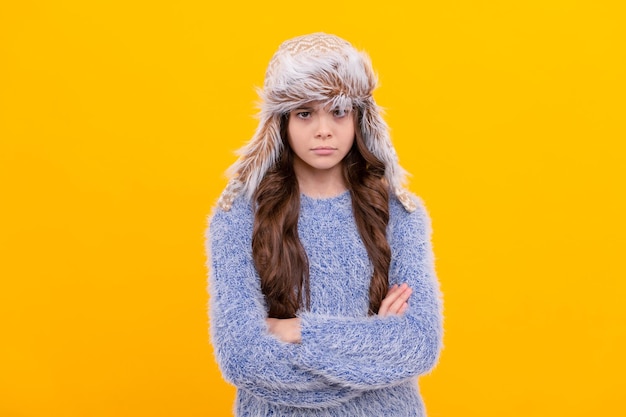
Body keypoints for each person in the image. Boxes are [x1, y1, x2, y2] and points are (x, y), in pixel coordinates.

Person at [206, 32, 443, 417]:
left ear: (359, 116)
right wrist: (371, 351)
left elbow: (417, 344)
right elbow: (243, 358)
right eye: (304, 112)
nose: (323, 130)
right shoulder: (237, 215)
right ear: (281, 120)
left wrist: (298, 330)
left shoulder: (399, 213)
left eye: (337, 111)